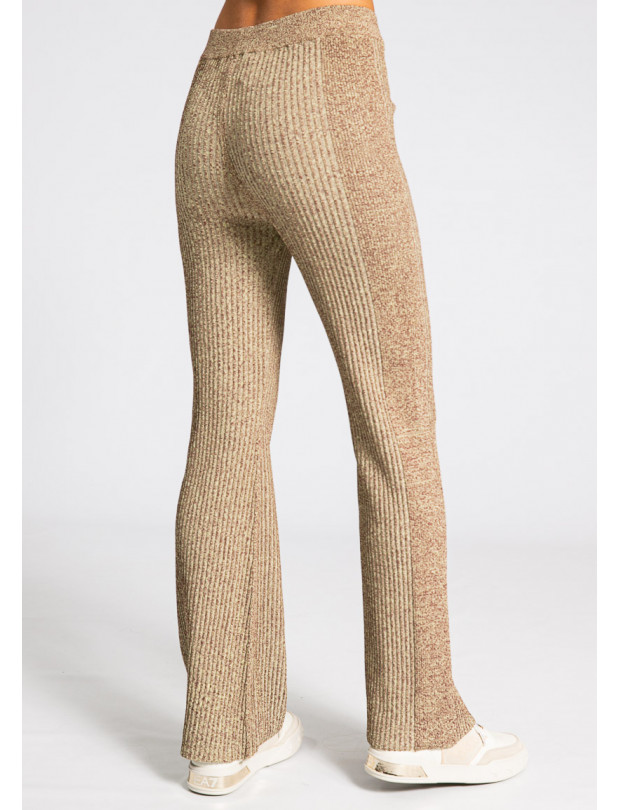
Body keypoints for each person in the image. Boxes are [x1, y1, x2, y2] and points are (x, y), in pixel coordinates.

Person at [174, 0, 527, 796]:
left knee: (225, 428)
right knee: (395, 419)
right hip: (319, 76)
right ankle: (421, 730)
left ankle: (226, 729)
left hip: (214, 87)